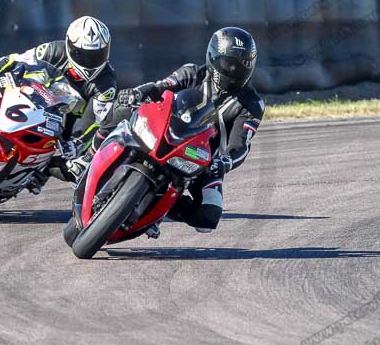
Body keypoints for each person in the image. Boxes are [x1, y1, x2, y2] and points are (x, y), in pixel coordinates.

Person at [74, 26, 265, 234]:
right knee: (123, 107)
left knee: (208, 217)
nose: (234, 71)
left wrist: (226, 161)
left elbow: (241, 144)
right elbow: (160, 87)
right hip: (164, 132)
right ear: (214, 57)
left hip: (203, 160)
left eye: (242, 65)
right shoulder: (192, 72)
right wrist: (137, 94)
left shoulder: (252, 103)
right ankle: (90, 155)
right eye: (229, 63)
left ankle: (158, 211)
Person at [0, 16, 117, 181]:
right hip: (33, 97)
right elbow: (16, 59)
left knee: (79, 167)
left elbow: (96, 120)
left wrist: (77, 142)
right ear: (69, 45)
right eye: (82, 54)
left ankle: (38, 173)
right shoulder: (53, 49)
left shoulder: (107, 83)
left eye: (97, 55)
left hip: (67, 122)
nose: (89, 62)